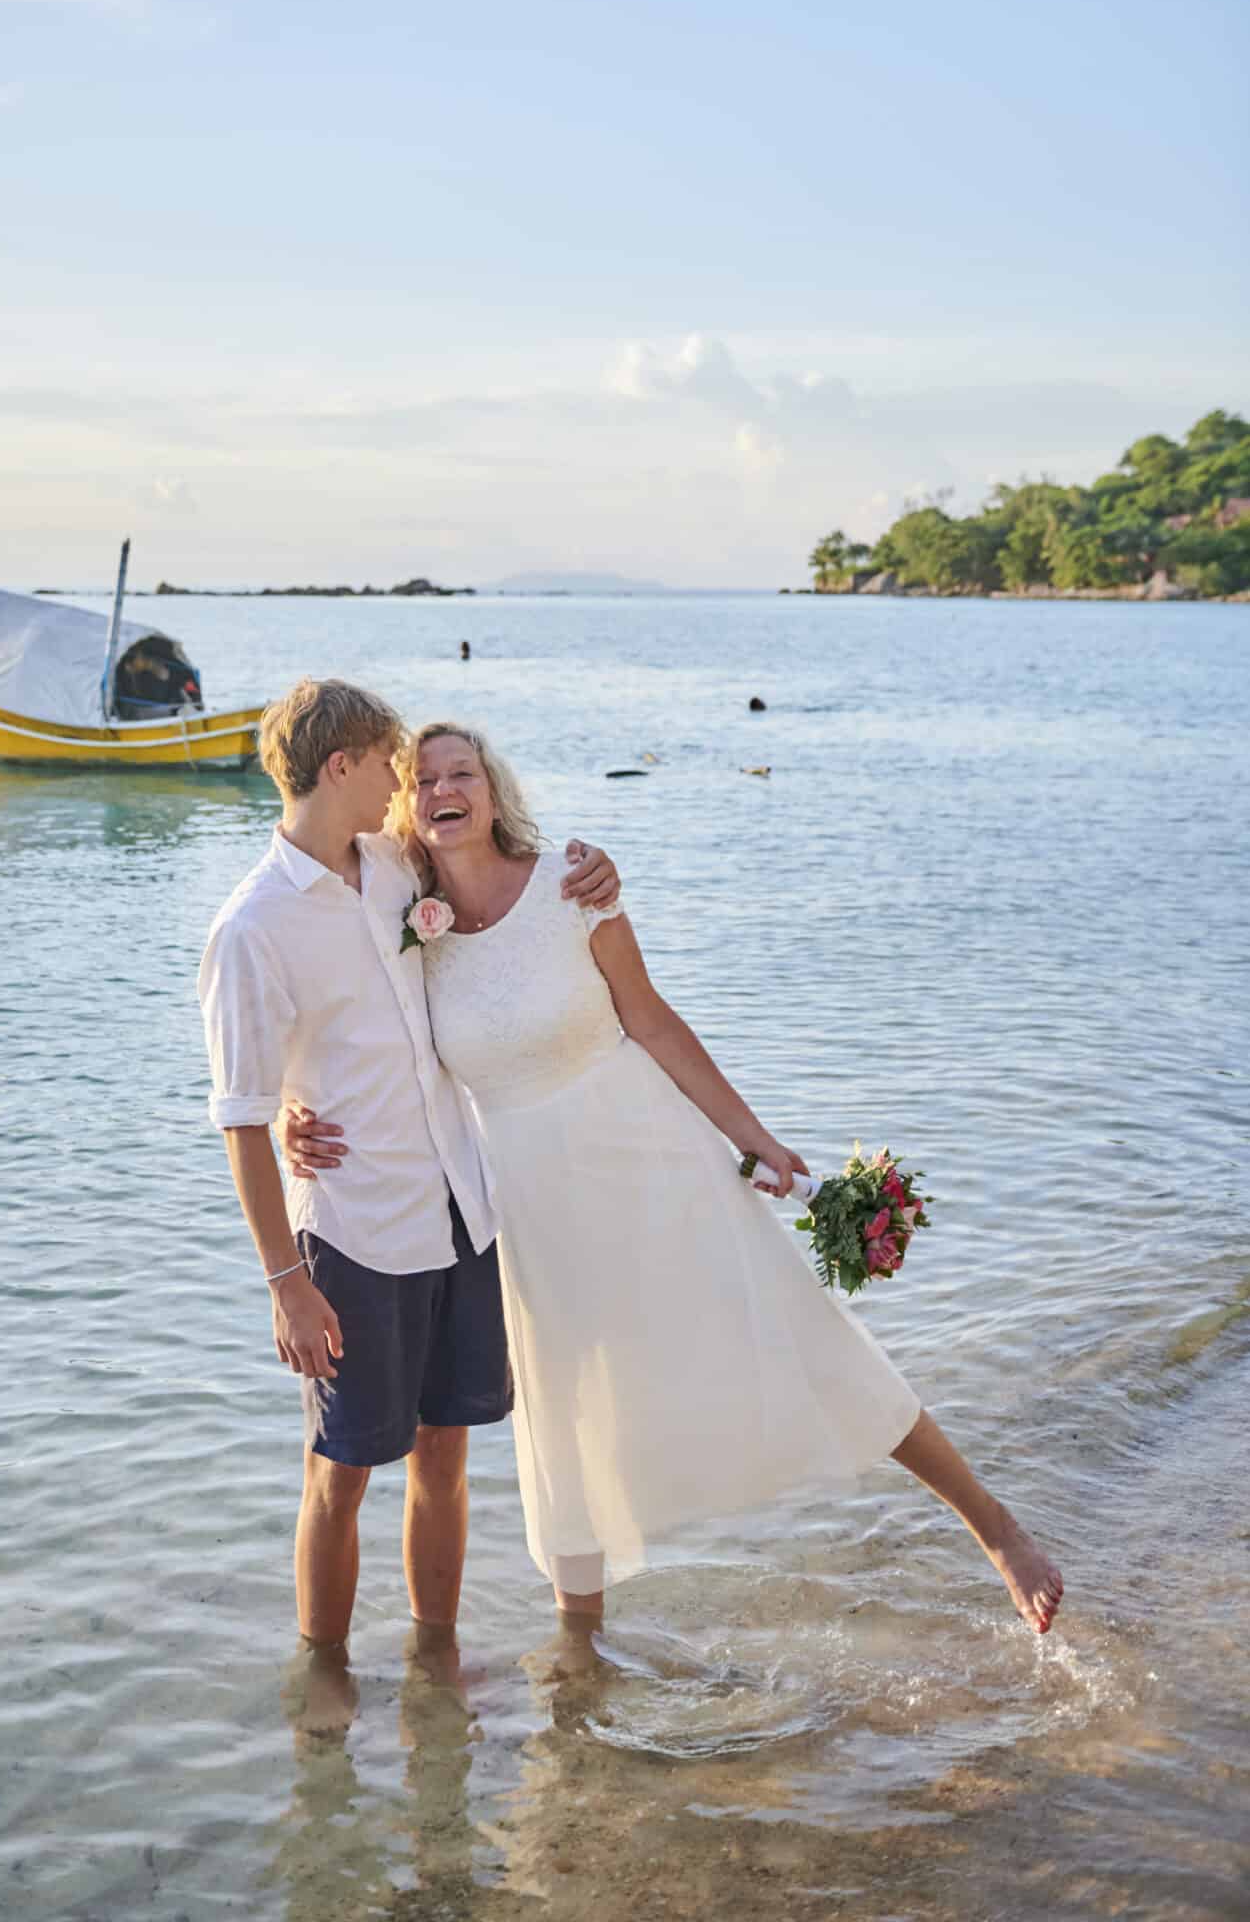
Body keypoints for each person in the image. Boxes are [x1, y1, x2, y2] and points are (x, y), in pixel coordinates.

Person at [282, 721, 1064, 1637]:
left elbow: (652, 1022)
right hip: (528, 1205)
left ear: (493, 792)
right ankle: (581, 1653)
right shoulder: (404, 918)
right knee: (568, 1421)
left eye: (464, 773)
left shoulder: (572, 888)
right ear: (406, 807)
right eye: (423, 779)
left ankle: (996, 1528)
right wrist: (294, 1108)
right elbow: (342, 1013)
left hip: (648, 1150)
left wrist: (756, 1139)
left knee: (801, 1330)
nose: (444, 788)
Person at [197, 680, 621, 1651]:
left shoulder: (394, 869)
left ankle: (437, 1658)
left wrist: (588, 866)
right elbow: (241, 1116)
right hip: (354, 1230)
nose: (402, 779)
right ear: (340, 766)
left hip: (460, 1210)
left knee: (445, 1454)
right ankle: (326, 1678)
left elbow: (496, 872)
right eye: (388, 761)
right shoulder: (251, 926)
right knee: (338, 1472)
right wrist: (285, 1284)